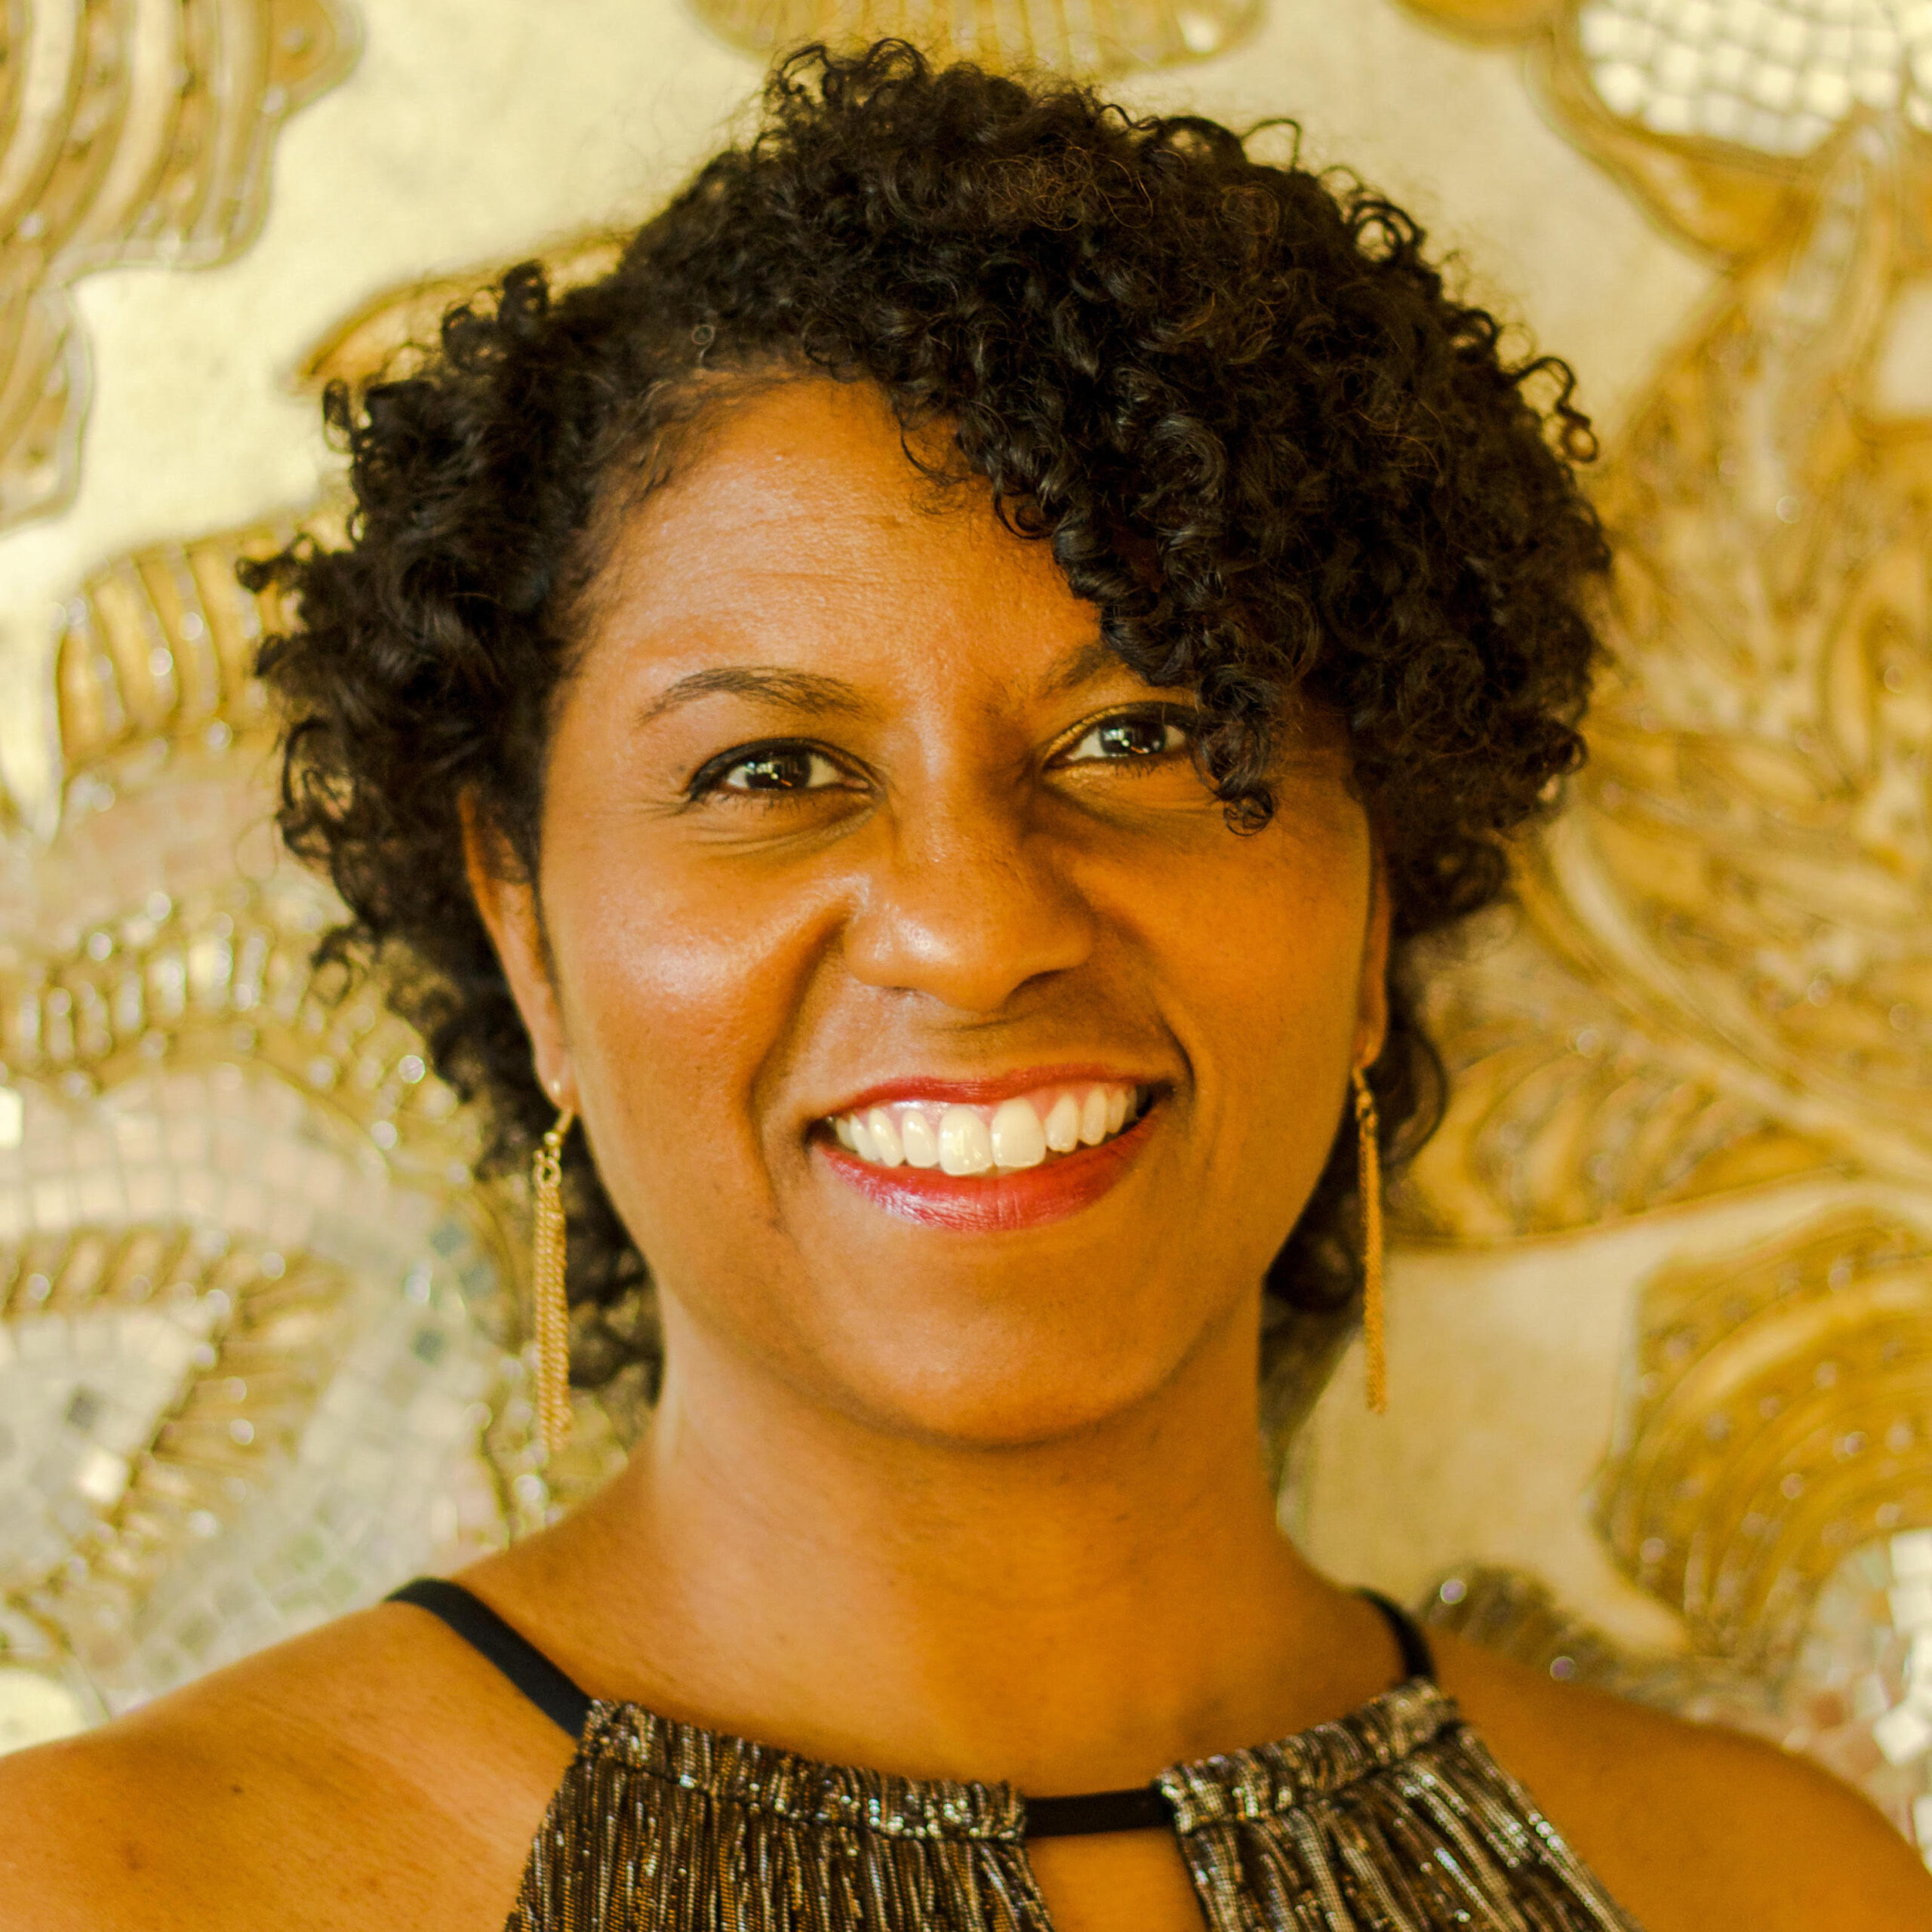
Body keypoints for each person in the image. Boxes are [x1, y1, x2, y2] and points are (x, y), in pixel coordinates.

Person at [1, 42, 1924, 1932]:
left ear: (1372, 904)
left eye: (1144, 734)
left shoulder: (1773, 1889)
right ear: (527, 935)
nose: (972, 921)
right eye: (769, 772)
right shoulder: (111, 1887)